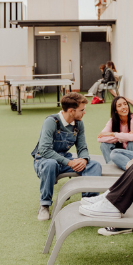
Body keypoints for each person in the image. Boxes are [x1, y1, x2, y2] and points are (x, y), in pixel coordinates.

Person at [31, 92, 102, 221]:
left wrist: (84, 159)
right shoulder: (51, 122)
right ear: (71, 111)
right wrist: (70, 163)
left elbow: (82, 147)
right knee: (51, 164)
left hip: (64, 160)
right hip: (44, 161)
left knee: (94, 165)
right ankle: (44, 205)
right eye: (82, 110)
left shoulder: (78, 124)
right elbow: (45, 151)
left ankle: (89, 202)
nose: (84, 113)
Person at [97, 96, 133, 165]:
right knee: (104, 145)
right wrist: (122, 139)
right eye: (119, 106)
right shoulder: (112, 121)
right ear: (115, 110)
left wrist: (113, 134)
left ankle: (132, 168)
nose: (124, 107)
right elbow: (100, 138)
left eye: (125, 104)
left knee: (132, 142)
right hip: (123, 149)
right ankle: (113, 168)